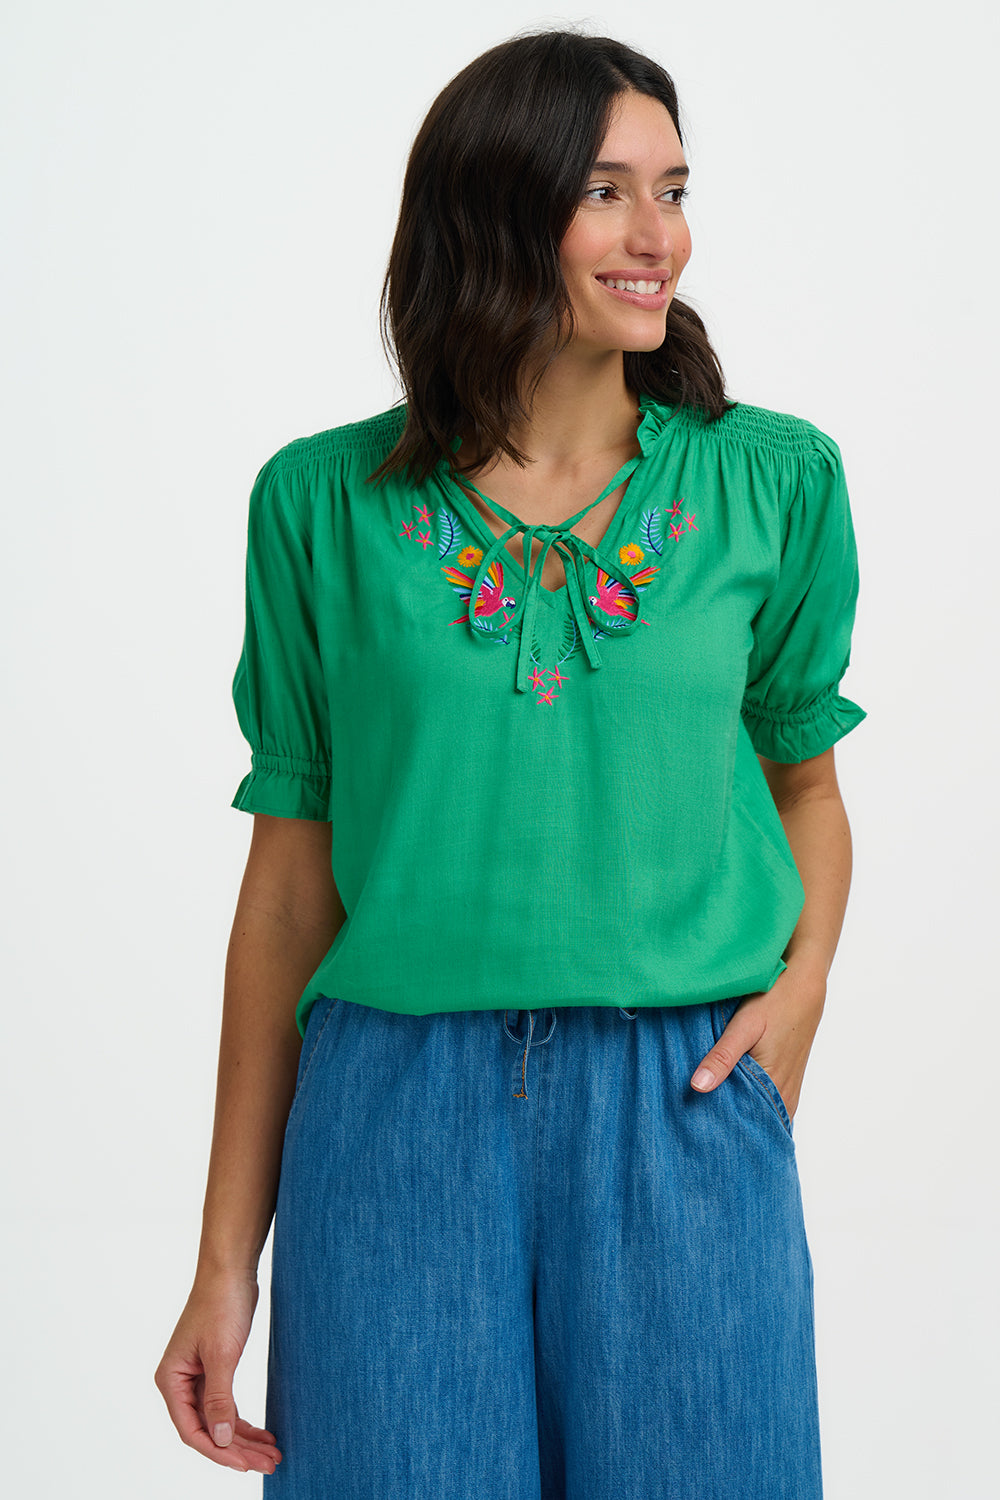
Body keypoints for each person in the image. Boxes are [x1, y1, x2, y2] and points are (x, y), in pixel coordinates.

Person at [155, 29, 864, 1499]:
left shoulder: (771, 483)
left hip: (681, 1103)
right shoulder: (320, 507)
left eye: (672, 187)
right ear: (494, 208)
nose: (657, 233)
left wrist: (792, 1011)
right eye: (607, 191)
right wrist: (228, 1264)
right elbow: (289, 890)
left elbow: (806, 782)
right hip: (394, 1119)